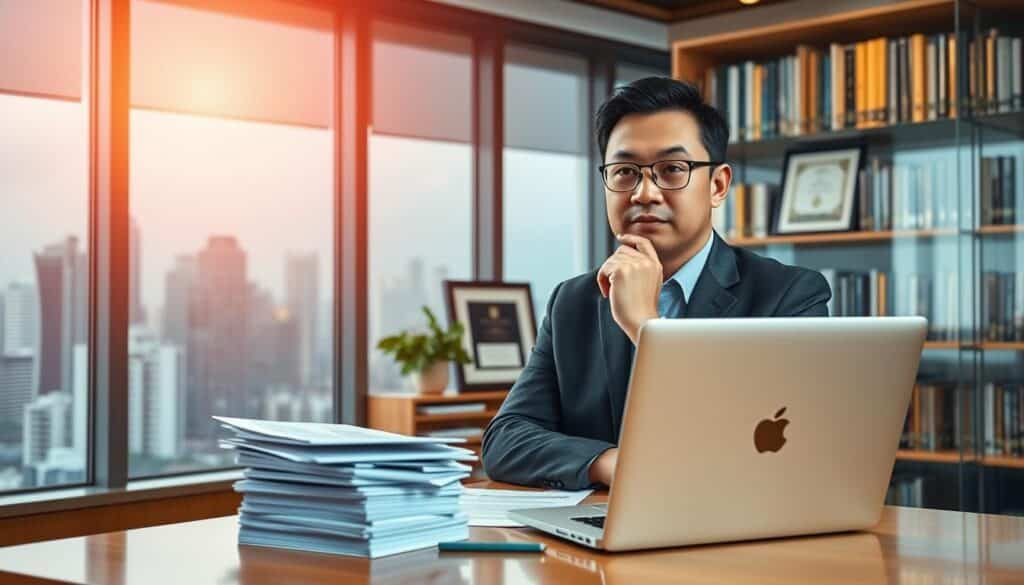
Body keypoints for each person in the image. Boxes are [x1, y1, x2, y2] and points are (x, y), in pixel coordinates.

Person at [480, 77, 832, 490]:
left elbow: (779, 450)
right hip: (604, 533)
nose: (644, 193)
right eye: (625, 172)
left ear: (717, 186)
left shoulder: (789, 295)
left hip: (736, 531)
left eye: (671, 170)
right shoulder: (573, 300)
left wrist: (646, 326)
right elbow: (505, 440)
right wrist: (616, 465)